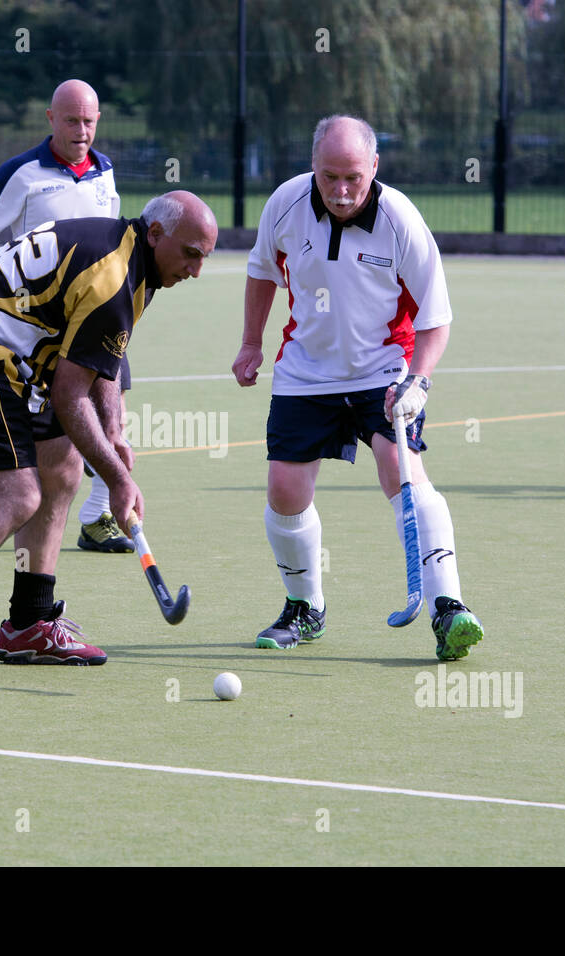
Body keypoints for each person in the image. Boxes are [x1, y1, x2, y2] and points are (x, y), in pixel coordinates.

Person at [0, 191, 217, 682]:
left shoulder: (133, 261)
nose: (196, 271)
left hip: (13, 355)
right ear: (156, 234)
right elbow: (68, 395)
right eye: (190, 254)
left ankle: (30, 622)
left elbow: (100, 359)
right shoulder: (113, 275)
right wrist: (119, 479)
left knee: (61, 468)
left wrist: (114, 430)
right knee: (16, 495)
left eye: (204, 258)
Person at [231, 115, 484, 661]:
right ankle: (305, 607)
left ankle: (449, 608)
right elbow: (260, 272)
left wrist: (418, 381)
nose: (342, 191)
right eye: (328, 177)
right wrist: (251, 343)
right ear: (313, 167)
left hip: (384, 371)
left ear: (374, 166)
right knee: (284, 490)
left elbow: (436, 318)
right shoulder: (286, 204)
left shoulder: (401, 221)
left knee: (403, 474)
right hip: (305, 372)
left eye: (353, 177)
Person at [0, 79, 133, 553]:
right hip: (37, 327)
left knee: (111, 413)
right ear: (51, 119)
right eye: (72, 121)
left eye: (89, 121)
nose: (81, 130)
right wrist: (16, 289)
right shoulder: (22, 172)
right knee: (51, 424)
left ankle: (97, 519)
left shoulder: (105, 171)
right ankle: (27, 509)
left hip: (94, 315)